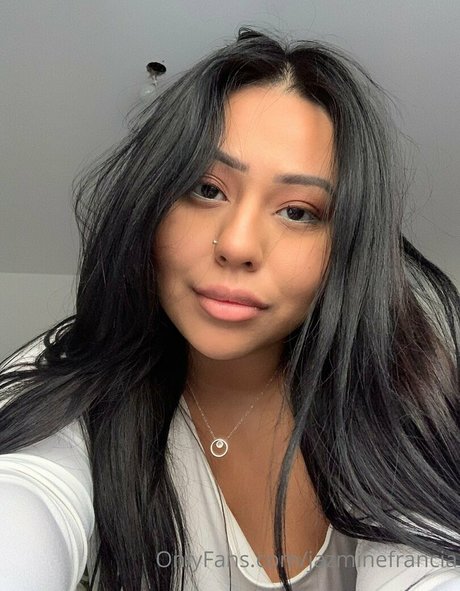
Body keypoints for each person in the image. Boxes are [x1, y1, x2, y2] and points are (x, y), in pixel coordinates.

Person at [0, 25, 459, 591]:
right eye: (206, 189)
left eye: (298, 212)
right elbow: (26, 495)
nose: (238, 245)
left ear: (347, 248)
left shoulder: (400, 394)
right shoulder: (64, 377)